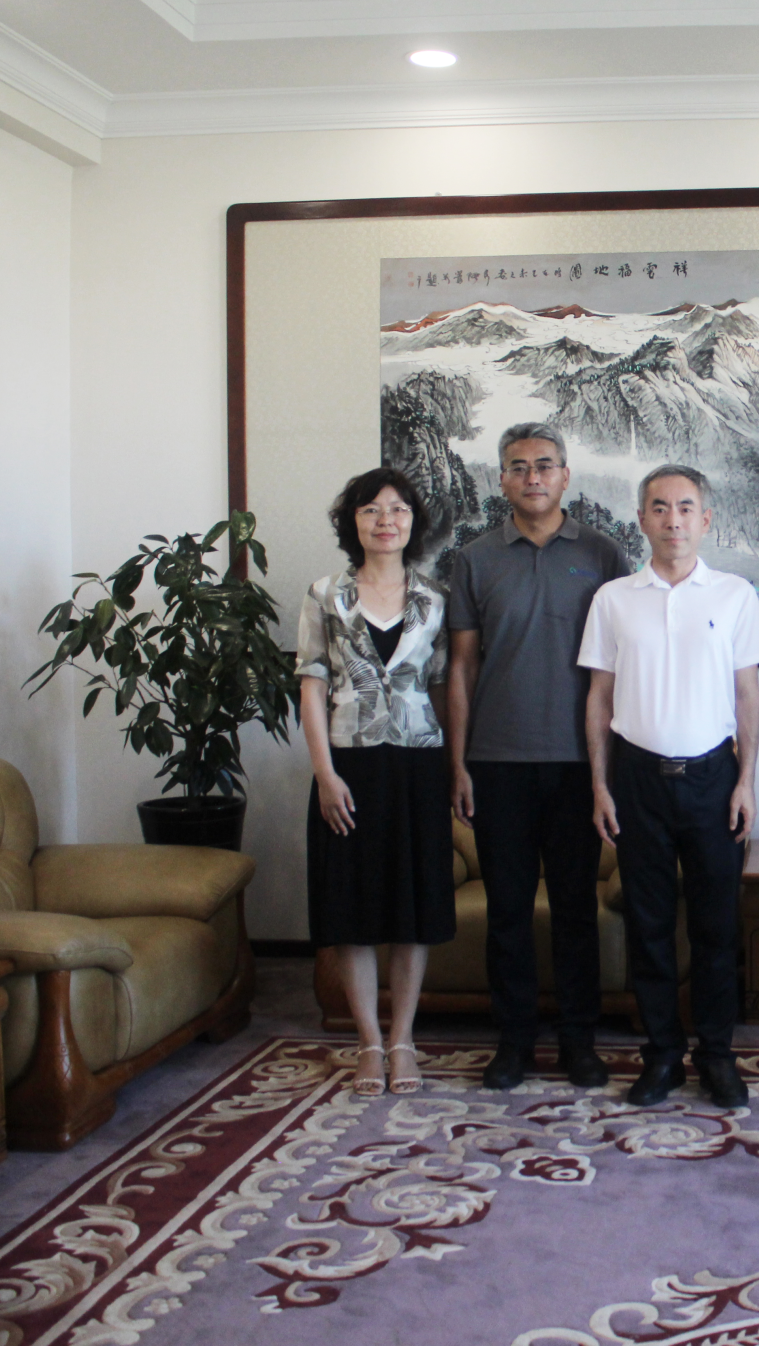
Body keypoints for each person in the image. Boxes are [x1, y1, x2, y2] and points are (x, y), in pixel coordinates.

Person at [446, 422, 631, 1091]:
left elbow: (623, 664)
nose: (533, 477)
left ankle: (580, 1039)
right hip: (498, 762)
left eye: (545, 465)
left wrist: (614, 767)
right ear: (501, 479)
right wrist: (458, 763)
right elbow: (461, 667)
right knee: (508, 911)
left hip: (582, 764)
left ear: (565, 476)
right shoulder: (474, 559)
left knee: (576, 910)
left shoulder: (603, 553)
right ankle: (514, 1039)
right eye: (519, 466)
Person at [580, 466, 759, 1108]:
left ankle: (716, 1056)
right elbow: (599, 696)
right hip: (638, 780)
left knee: (717, 930)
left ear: (705, 519)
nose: (673, 520)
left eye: (686, 507)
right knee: (650, 927)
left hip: (714, 778)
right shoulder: (613, 599)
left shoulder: (735, 595)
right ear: (641, 519)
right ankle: (661, 1056)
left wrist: (746, 781)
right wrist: (600, 784)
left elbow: (748, 694)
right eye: (659, 508)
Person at [297, 467, 455, 1098]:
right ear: (353, 521)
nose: (385, 520)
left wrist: (456, 770)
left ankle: (403, 1039)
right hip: (349, 765)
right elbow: (311, 686)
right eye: (371, 509)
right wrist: (324, 774)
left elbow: (441, 687)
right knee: (352, 911)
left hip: (418, 764)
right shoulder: (324, 595)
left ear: (413, 522)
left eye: (397, 509)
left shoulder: (436, 598)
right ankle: (367, 1040)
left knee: (412, 909)